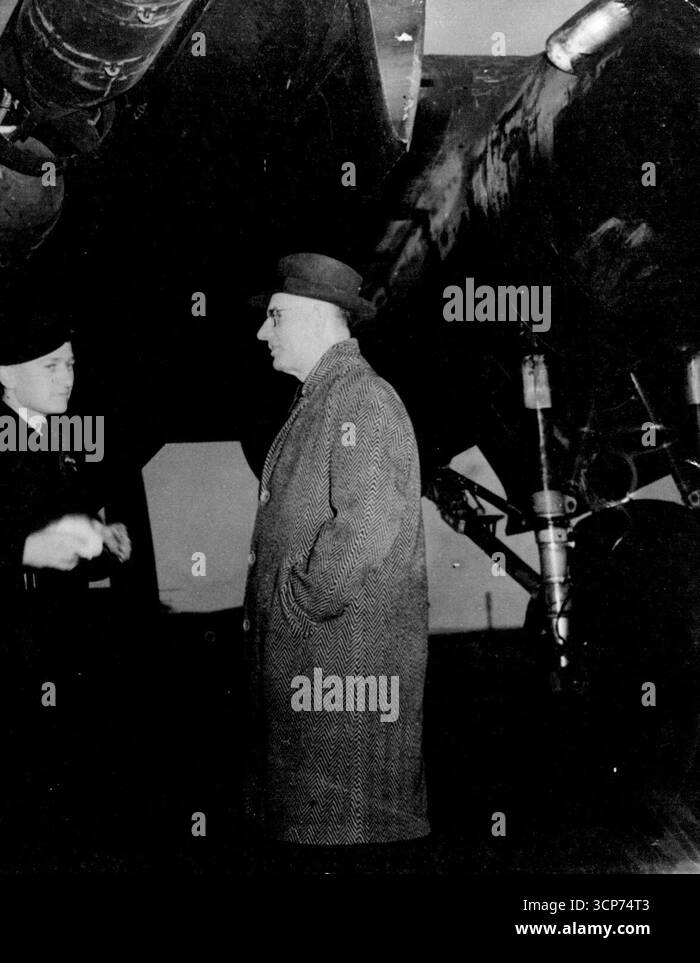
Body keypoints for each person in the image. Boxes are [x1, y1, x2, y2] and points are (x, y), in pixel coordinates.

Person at [243, 253, 429, 865]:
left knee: (342, 842)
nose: (263, 332)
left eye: (275, 317)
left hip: (338, 678)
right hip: (319, 674)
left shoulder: (363, 400)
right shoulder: (324, 398)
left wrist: (294, 604)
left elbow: (366, 529)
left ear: (318, 318)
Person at [0, 311, 131, 867]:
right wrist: (20, 551)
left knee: (68, 788)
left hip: (67, 642)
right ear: (7, 375)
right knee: (11, 796)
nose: (67, 377)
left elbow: (68, 520)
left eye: (70, 363)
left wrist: (101, 533)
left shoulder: (67, 438)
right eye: (51, 365)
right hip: (4, 652)